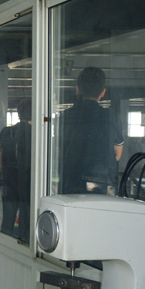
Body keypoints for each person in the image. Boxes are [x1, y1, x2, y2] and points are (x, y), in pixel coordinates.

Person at [58, 67, 124, 195]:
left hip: (70, 184)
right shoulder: (112, 117)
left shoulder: (65, 116)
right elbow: (117, 154)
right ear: (103, 92)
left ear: (77, 90)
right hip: (103, 186)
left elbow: (60, 152)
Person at [0, 99, 32, 241]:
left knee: (7, 222)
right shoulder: (37, 134)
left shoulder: (7, 131)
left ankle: (4, 246)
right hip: (28, 186)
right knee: (26, 221)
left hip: (8, 184)